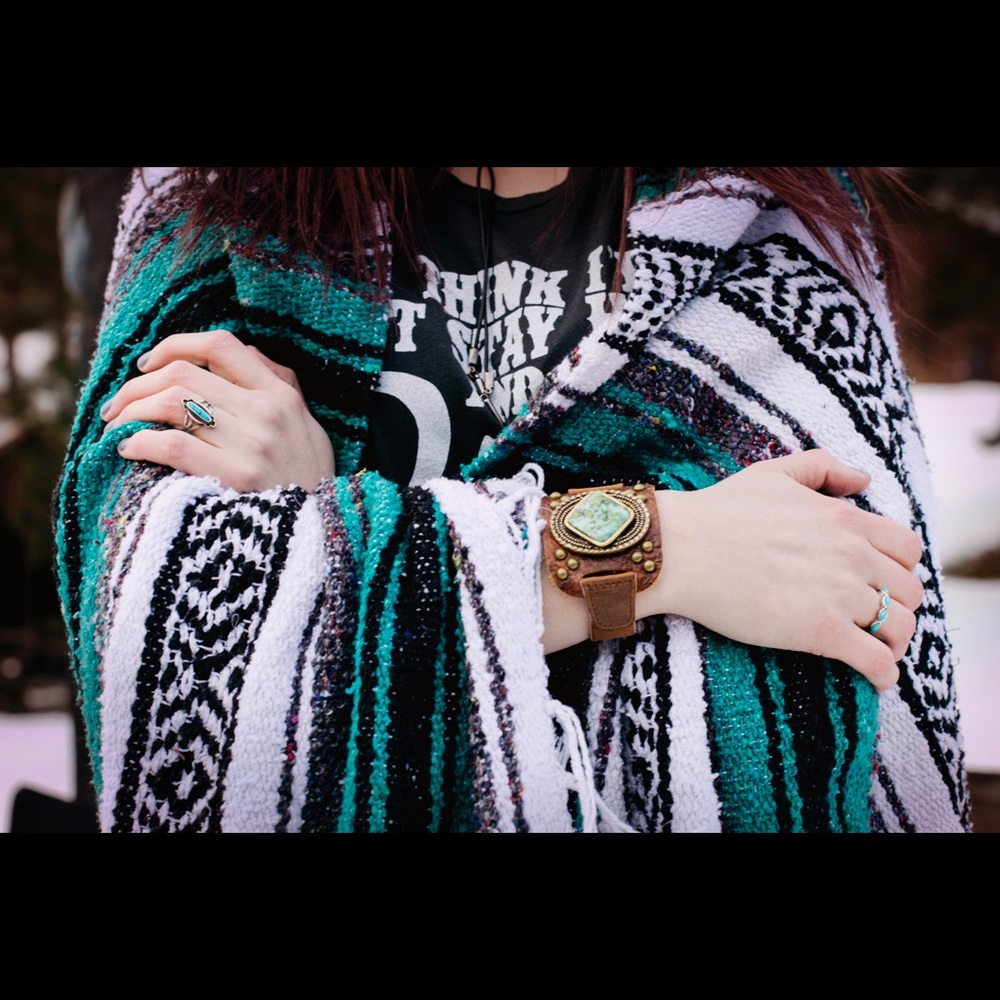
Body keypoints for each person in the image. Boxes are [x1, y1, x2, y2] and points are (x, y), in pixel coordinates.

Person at [54, 167, 969, 832]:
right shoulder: (221, 205)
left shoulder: (784, 219)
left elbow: (850, 596)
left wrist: (326, 531)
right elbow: (168, 625)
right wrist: (664, 551)